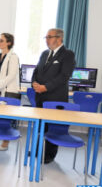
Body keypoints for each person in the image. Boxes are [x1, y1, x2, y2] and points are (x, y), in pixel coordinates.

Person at [32, 28, 75, 164]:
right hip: (40, 97)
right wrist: (34, 83)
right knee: (40, 126)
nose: (47, 40)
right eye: (46, 37)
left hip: (55, 98)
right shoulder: (44, 53)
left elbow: (64, 76)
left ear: (59, 38)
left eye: (49, 37)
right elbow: (36, 70)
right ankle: (38, 150)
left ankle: (49, 155)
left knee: (52, 127)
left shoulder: (68, 54)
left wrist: (45, 87)